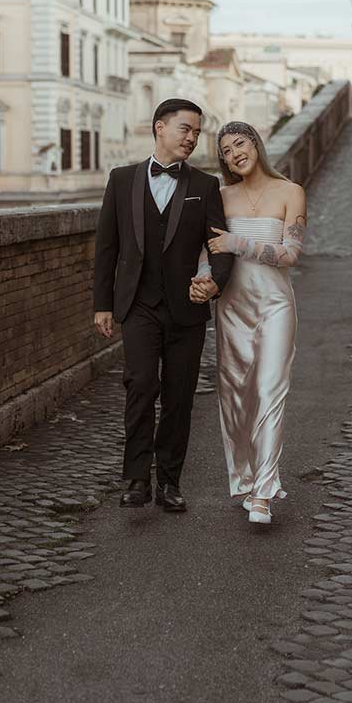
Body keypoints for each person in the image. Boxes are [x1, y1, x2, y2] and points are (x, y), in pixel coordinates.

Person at [93, 99, 234, 512]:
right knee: (139, 387)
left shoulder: (205, 186)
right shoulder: (121, 180)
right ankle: (135, 479)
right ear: (159, 127)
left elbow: (220, 246)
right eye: (185, 129)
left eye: (196, 132)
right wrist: (103, 304)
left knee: (179, 396)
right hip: (137, 304)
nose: (192, 138)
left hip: (186, 309)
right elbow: (107, 248)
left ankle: (169, 482)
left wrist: (214, 283)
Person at [190, 121, 306, 525]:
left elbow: (290, 253)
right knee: (236, 398)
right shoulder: (220, 196)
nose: (234, 153)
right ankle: (244, 480)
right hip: (233, 309)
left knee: (271, 391)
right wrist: (204, 279)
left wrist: (239, 243)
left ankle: (264, 493)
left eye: (240, 143)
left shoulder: (290, 192)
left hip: (276, 306)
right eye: (225, 150)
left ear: (256, 144)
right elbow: (209, 252)